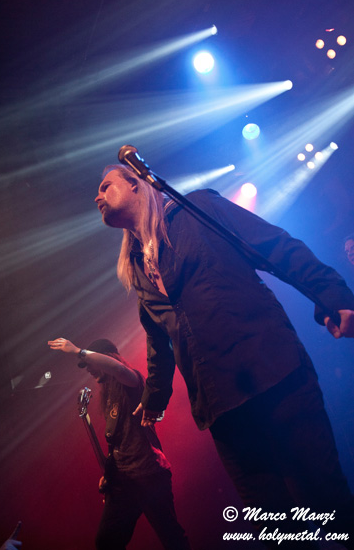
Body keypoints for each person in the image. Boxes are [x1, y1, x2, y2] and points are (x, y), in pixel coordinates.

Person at [95, 164, 354, 548]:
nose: (98, 196)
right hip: (222, 410)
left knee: (328, 502)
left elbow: (275, 246)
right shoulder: (136, 265)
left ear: (136, 183)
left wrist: (331, 294)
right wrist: (155, 397)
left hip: (276, 377)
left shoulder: (197, 209)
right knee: (275, 529)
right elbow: (158, 339)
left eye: (105, 186)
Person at [48, 336, 191, 550]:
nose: (89, 370)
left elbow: (118, 369)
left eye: (91, 364)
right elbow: (119, 442)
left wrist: (79, 351)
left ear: (106, 358)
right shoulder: (109, 396)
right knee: (106, 542)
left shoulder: (132, 380)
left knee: (171, 538)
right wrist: (110, 472)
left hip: (149, 475)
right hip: (124, 482)